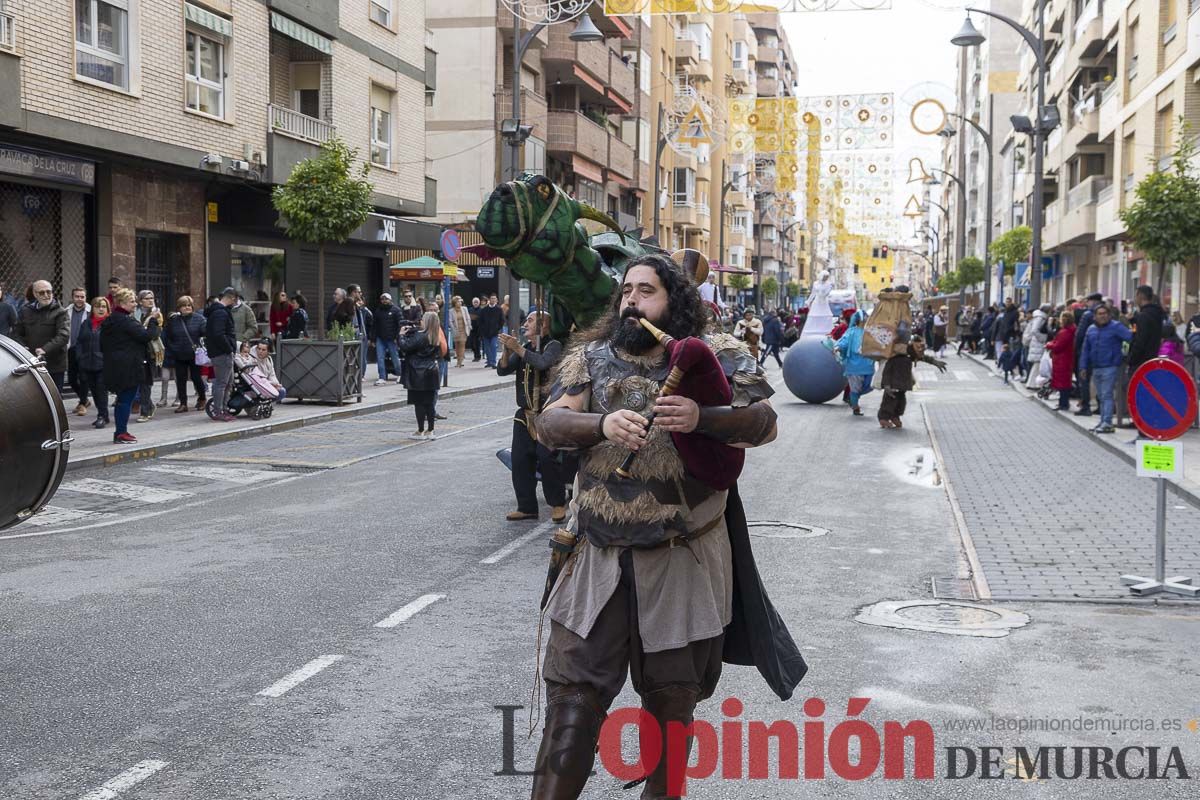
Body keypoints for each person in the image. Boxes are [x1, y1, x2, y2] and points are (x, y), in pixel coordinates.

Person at [528, 252, 798, 800]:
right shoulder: (591, 357)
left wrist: (705, 418)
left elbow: (764, 422)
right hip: (595, 561)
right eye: (626, 291)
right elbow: (551, 422)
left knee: (672, 707)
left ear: (674, 300)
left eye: (646, 291)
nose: (631, 301)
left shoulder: (717, 355)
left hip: (681, 559)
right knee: (572, 707)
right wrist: (600, 423)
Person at [497, 311, 570, 523]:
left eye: (530, 320)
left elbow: (542, 364)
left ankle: (557, 504)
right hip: (524, 414)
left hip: (547, 413)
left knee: (547, 459)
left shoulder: (553, 346)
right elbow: (503, 371)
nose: (525, 323)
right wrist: (506, 351)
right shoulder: (526, 348)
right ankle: (527, 506)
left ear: (543, 326)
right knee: (520, 461)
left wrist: (517, 348)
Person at [100, 288, 159, 444]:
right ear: (122, 303)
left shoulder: (110, 320)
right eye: (132, 301)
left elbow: (103, 345)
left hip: (114, 365)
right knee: (126, 400)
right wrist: (153, 320)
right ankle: (121, 433)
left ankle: (121, 431)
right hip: (129, 367)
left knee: (122, 399)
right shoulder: (126, 320)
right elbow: (147, 336)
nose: (135, 304)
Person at [1079, 304, 1132, 434]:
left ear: (1109, 315)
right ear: (1095, 316)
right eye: (1100, 314)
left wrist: (1126, 355)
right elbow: (1085, 349)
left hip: (1111, 366)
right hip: (1096, 367)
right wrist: (1083, 366)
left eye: (1105, 313)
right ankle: (1103, 421)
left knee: (1106, 395)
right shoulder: (1091, 329)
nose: (1103, 316)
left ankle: (1107, 422)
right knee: (1101, 396)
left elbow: (1131, 338)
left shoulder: (1116, 327)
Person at [878, 335, 947, 428]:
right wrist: (886, 385)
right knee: (889, 401)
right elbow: (886, 372)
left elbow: (922, 357)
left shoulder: (909, 355)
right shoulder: (893, 357)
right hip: (892, 384)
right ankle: (884, 419)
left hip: (902, 384)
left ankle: (895, 416)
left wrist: (935, 362)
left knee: (901, 402)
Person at [13, 280, 70, 392]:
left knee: (54, 399)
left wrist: (45, 349)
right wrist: (22, 346)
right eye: (42, 292)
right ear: (35, 294)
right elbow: (16, 333)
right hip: (31, 363)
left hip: (54, 365)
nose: (46, 295)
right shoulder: (26, 311)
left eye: (49, 292)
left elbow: (63, 335)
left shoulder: (60, 312)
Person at [396, 311, 442, 437]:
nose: (420, 321)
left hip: (417, 372)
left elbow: (405, 347)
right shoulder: (435, 336)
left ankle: (420, 430)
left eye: (422, 319)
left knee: (419, 403)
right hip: (431, 372)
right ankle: (430, 430)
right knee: (429, 403)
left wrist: (401, 335)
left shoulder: (420, 336)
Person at [164, 295, 208, 413]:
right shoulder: (173, 321)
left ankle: (202, 398)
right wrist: (173, 349)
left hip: (195, 354)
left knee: (196, 378)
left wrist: (202, 346)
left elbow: (205, 334)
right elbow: (167, 337)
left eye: (189, 305)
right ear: (179, 308)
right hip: (179, 354)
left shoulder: (200, 319)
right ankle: (183, 403)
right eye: (184, 306)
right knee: (181, 379)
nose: (187, 308)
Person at [205, 287, 239, 422]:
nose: (235, 303)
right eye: (235, 300)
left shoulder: (218, 311)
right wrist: (229, 348)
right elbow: (219, 334)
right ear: (231, 298)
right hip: (222, 353)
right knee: (222, 383)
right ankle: (219, 411)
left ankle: (223, 409)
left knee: (227, 382)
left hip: (221, 352)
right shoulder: (220, 313)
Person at [76, 296, 110, 429]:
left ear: (107, 309)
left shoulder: (110, 324)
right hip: (87, 363)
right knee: (94, 392)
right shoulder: (86, 323)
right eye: (97, 306)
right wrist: (80, 357)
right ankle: (103, 415)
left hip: (103, 364)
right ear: (92, 309)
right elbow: (79, 341)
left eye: (103, 306)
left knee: (101, 391)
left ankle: (102, 416)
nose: (100, 309)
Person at [132, 290, 164, 422]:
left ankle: (145, 412)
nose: (150, 300)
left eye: (152, 298)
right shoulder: (135, 314)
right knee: (138, 382)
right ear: (140, 301)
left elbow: (153, 334)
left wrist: (150, 324)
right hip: (135, 353)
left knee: (145, 383)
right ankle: (149, 405)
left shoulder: (156, 315)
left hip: (149, 353)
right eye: (147, 298)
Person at [835, 309, 875, 416]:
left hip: (868, 365)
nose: (867, 318)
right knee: (855, 387)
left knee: (868, 386)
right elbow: (844, 341)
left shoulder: (870, 332)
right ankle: (855, 406)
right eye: (865, 317)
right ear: (859, 319)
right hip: (854, 365)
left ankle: (854, 397)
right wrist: (838, 347)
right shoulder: (851, 331)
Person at [1073, 292, 1103, 415]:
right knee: (1100, 380)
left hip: (1086, 351)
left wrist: (1075, 349)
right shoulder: (1107, 313)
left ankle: (1085, 406)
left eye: (1088, 301)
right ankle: (1101, 405)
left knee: (1084, 378)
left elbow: (1080, 334)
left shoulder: (1087, 315)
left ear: (1092, 301)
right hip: (1102, 352)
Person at [64, 287, 92, 415]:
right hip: (71, 349)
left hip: (86, 350)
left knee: (84, 377)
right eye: (77, 296)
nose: (80, 299)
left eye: (82, 297)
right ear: (72, 297)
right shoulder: (66, 311)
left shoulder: (91, 312)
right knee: (71, 379)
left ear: (85, 298)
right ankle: (85, 399)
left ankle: (82, 404)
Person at [1127, 285, 1164, 372]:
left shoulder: (1143, 316)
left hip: (1140, 362)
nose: (1135, 299)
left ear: (1140, 296)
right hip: (1151, 359)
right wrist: (1133, 322)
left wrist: (1131, 359)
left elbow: (1139, 339)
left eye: (1135, 295)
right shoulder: (1156, 314)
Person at [1045, 310, 1076, 411]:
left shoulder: (1065, 332)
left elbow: (1058, 346)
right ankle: (1063, 402)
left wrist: (1049, 345)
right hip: (1066, 358)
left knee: (1062, 383)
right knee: (1065, 382)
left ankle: (1063, 403)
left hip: (1061, 359)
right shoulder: (1070, 330)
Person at [373, 292, 405, 385]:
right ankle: (382, 377)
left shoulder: (396, 310)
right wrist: (373, 338)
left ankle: (400, 375)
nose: (384, 301)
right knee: (380, 358)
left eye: (386, 299)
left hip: (392, 338)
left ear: (390, 300)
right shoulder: (378, 311)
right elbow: (375, 325)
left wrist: (397, 337)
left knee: (395, 357)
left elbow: (400, 324)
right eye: (382, 299)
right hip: (380, 338)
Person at [1022, 305, 1049, 389]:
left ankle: (1032, 383)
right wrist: (1044, 338)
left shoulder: (1038, 317)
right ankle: (1034, 384)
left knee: (1037, 365)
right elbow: (1035, 330)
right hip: (1038, 344)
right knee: (1038, 364)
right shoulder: (1040, 318)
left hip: (1036, 343)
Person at [477, 293, 504, 368]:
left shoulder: (499, 309)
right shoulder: (484, 310)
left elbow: (502, 320)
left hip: (494, 332)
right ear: (489, 299)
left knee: (493, 346)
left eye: (494, 298)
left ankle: (493, 362)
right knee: (487, 348)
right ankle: (489, 362)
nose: (493, 300)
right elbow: (480, 320)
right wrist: (482, 329)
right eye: (492, 298)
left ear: (496, 300)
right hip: (485, 332)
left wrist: (497, 328)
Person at [448, 295, 472, 368]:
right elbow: (450, 321)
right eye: (458, 302)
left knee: (462, 344)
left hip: (464, 330)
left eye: (460, 301)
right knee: (457, 346)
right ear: (454, 303)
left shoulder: (464, 309)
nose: (460, 303)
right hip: (456, 329)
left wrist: (469, 326)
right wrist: (453, 328)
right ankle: (458, 359)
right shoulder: (451, 311)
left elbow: (468, 318)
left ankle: (460, 362)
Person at [467, 296, 483, 361]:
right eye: (474, 302)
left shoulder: (481, 310)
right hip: (471, 329)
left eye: (477, 302)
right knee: (471, 344)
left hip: (478, 329)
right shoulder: (470, 309)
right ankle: (475, 354)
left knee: (477, 343)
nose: (475, 303)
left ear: (479, 303)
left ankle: (477, 356)